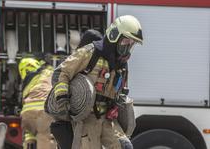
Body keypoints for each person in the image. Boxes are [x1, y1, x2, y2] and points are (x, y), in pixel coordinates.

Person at [51, 15, 143, 149]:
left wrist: (118, 105)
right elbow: (61, 72)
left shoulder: (122, 65)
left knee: (124, 146)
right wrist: (62, 99)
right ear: (114, 34)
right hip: (85, 119)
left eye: (132, 43)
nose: (128, 46)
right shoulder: (90, 52)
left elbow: (121, 91)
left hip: (107, 118)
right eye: (126, 41)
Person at [18, 58, 56, 149]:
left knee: (30, 135)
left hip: (27, 114)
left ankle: (29, 143)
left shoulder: (27, 82)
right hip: (44, 112)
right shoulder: (48, 72)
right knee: (45, 136)